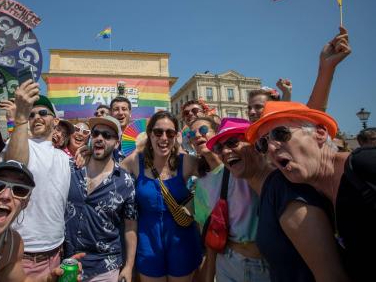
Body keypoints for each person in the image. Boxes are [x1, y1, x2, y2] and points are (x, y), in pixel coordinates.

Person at [207, 116, 349, 281]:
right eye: (219, 147)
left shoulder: (284, 189)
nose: (224, 151)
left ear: (258, 146)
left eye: (233, 143)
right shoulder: (266, 191)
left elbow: (331, 275)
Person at [247, 101, 376, 281]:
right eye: (262, 143)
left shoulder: (366, 165)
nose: (271, 147)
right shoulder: (306, 191)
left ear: (320, 133)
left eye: (280, 133)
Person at [121, 111, 203, 281]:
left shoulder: (187, 161)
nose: (164, 138)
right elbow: (109, 173)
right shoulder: (135, 161)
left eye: (170, 133)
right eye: (158, 132)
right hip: (147, 242)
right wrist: (88, 154)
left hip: (182, 241)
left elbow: (217, 170)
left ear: (176, 136)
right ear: (149, 135)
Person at [189, 117, 269, 282]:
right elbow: (211, 233)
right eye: (192, 133)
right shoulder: (201, 184)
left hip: (262, 265)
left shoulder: (246, 168)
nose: (197, 135)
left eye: (203, 130)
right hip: (227, 263)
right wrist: (209, 276)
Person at [5, 80, 71, 278]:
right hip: (23, 254)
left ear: (56, 121)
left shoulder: (64, 157)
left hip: (57, 252)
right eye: (32, 114)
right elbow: (15, 167)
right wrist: (20, 119)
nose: (37, 118)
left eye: (43, 113)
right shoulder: (19, 144)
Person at [65, 116, 137, 282]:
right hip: (67, 263)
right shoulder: (71, 168)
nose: (100, 138)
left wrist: (128, 266)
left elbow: (130, 227)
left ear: (117, 143)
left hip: (104, 268)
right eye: (96, 133)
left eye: (107, 135)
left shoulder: (125, 181)